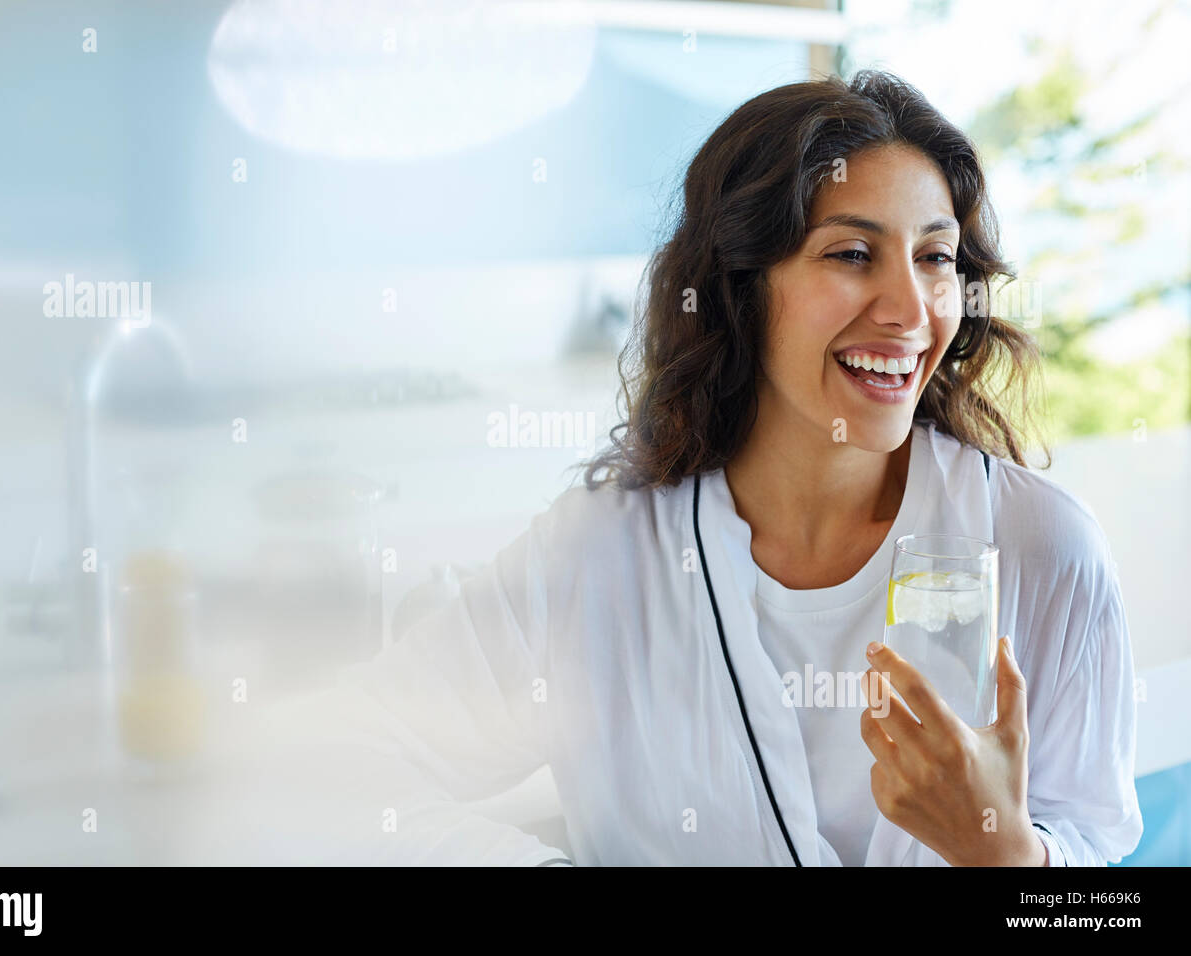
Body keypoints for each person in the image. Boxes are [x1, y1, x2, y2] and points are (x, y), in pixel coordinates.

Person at [269, 70, 1142, 866]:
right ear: (739, 284)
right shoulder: (602, 556)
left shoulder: (1041, 547)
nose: (910, 310)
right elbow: (338, 769)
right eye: (850, 254)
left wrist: (1006, 856)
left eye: (936, 258)